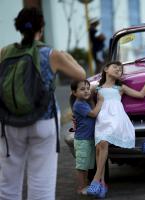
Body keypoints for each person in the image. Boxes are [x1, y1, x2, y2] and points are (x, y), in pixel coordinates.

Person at [0, 7, 86, 200]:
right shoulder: (51, 54)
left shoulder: (4, 52)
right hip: (43, 122)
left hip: (9, 124)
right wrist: (67, 56)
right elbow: (81, 75)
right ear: (42, 27)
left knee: (8, 183)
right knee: (41, 182)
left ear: (19, 28)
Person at [86, 61, 145, 198]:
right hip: (101, 120)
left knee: (103, 144)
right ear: (106, 69)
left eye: (120, 70)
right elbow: (84, 98)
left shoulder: (120, 88)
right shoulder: (96, 88)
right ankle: (102, 184)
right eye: (115, 67)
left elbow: (141, 95)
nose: (118, 70)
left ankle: (95, 180)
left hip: (116, 119)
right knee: (98, 148)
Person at [70, 80, 103, 195]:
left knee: (87, 165)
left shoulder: (85, 102)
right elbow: (94, 114)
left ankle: (85, 184)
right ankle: (81, 187)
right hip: (82, 140)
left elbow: (95, 87)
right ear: (74, 92)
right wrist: (100, 101)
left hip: (88, 138)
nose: (86, 91)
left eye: (88, 89)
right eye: (82, 89)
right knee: (81, 166)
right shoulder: (79, 104)